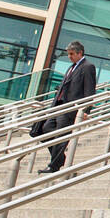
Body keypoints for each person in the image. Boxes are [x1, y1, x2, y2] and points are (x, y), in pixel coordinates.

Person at [31, 40, 97, 173]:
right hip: (58, 106)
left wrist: (85, 110)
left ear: (80, 53)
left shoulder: (88, 66)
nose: (69, 57)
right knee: (45, 129)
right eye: (68, 54)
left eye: (72, 54)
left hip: (70, 109)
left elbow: (89, 90)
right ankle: (60, 158)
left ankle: (53, 166)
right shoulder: (71, 67)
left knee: (61, 136)